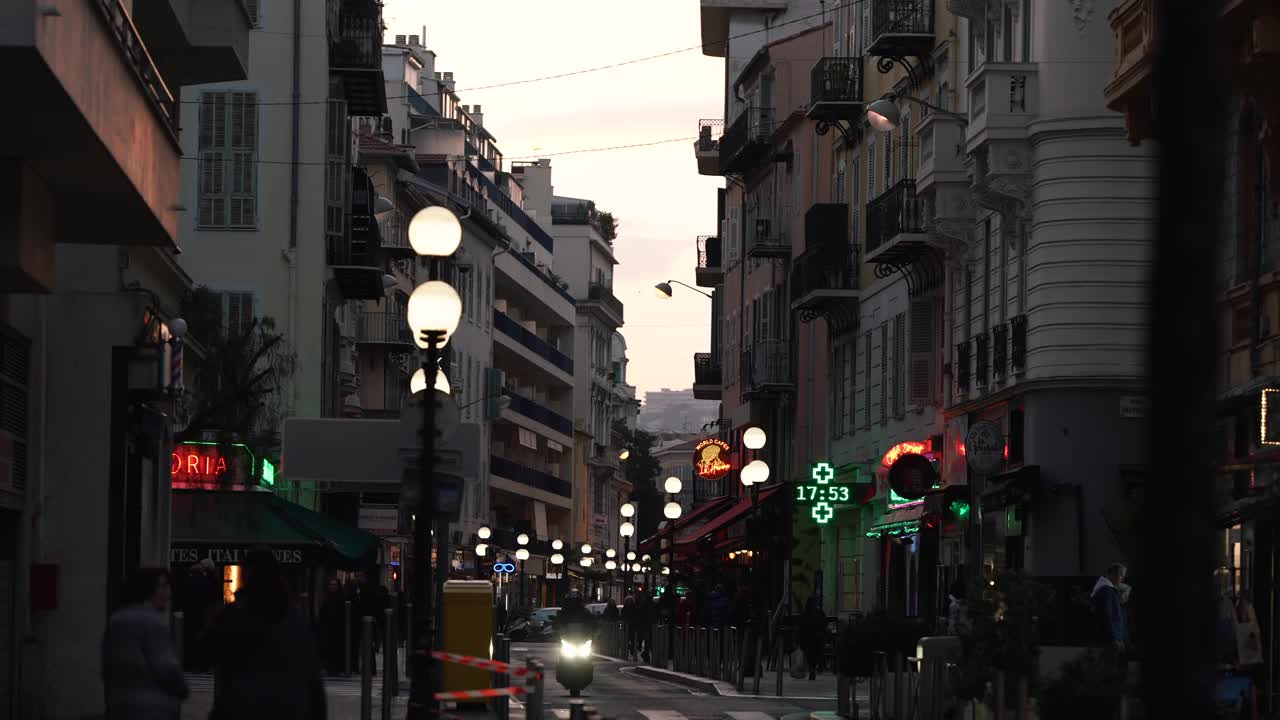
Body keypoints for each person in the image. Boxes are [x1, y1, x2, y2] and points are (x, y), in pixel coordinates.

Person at [203, 547, 326, 720]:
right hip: (291, 709)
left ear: (248, 574)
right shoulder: (295, 619)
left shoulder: (237, 614)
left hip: (244, 707)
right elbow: (313, 679)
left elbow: (205, 651)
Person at [102, 567, 189, 720]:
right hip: (153, 707)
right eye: (162, 587)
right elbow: (167, 668)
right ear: (148, 590)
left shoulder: (116, 620)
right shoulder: (153, 622)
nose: (168, 594)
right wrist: (182, 689)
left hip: (119, 704)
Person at [1092, 563, 1130, 653]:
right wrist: (1114, 638)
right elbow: (1107, 616)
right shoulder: (1107, 590)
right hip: (1112, 640)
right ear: (1112, 574)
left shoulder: (1109, 590)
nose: (1122, 578)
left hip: (1114, 638)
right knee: (1114, 665)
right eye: (1121, 575)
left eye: (1123, 576)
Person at [317, 578, 348, 675]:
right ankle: (329, 667)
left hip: (338, 629)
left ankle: (336, 668)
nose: (332, 587)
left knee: (336, 648)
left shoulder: (341, 598)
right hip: (328, 628)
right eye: (331, 585)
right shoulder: (327, 598)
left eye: (334, 585)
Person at [798, 596, 826, 681]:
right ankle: (815, 667)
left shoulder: (805, 614)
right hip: (816, 638)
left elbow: (801, 628)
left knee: (810, 655)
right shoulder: (819, 613)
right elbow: (824, 624)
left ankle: (812, 668)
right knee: (816, 653)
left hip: (808, 639)